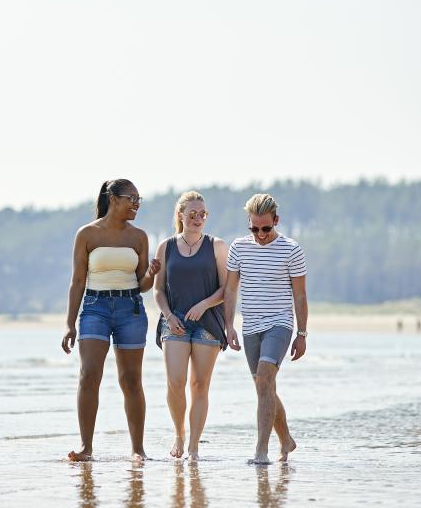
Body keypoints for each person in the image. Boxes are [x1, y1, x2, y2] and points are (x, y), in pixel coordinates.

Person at [61, 179, 160, 462]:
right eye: (132, 198)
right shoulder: (87, 234)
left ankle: (138, 449)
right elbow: (77, 280)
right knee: (89, 374)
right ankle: (86, 447)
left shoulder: (139, 236)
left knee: (131, 380)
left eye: (139, 199)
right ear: (113, 199)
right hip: (95, 308)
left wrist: (152, 274)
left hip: (131, 308)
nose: (136, 204)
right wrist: (70, 323)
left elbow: (142, 284)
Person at [223, 193, 308, 464]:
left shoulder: (291, 249)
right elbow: (230, 289)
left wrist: (302, 334)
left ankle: (261, 451)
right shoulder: (239, 248)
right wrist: (229, 326)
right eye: (254, 228)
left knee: (264, 380)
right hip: (250, 326)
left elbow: (300, 296)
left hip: (279, 323)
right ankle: (286, 440)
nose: (260, 234)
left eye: (266, 228)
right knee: (264, 387)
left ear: (276, 221)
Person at [153, 191, 229, 461]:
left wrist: (204, 305)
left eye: (203, 214)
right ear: (180, 216)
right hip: (174, 322)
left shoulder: (217, 246)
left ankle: (194, 446)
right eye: (193, 214)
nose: (198, 218)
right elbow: (158, 290)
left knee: (199, 384)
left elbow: (226, 288)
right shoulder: (166, 246)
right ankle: (179, 434)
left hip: (208, 322)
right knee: (175, 382)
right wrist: (168, 314)